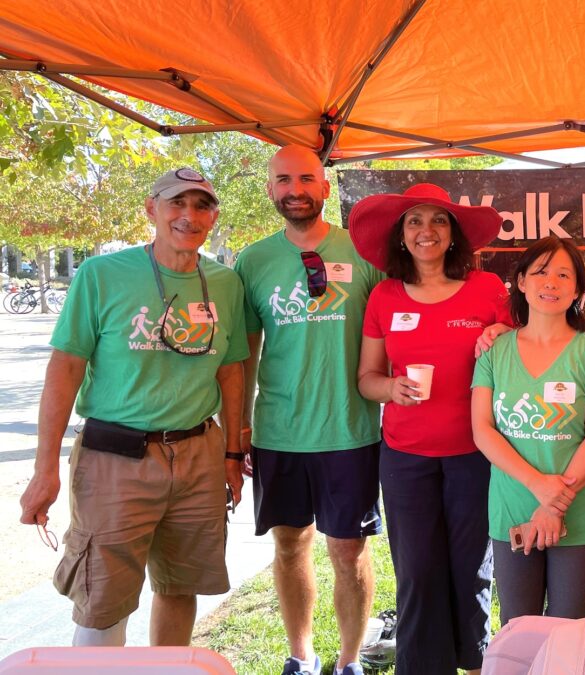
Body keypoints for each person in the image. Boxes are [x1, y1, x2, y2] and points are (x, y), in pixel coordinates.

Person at [18, 168, 247, 647]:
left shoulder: (225, 283)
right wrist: (45, 471)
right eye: (176, 203)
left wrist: (231, 454)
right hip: (116, 457)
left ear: (213, 216)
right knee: (103, 599)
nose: (188, 215)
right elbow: (64, 371)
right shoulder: (102, 275)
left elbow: (231, 372)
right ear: (152, 209)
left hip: (198, 456)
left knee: (180, 586)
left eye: (201, 205)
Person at [235, 146, 384, 675]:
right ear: (270, 190)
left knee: (348, 552)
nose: (294, 189)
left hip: (351, 430)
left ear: (325, 187)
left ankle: (348, 662)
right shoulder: (252, 261)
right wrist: (242, 427)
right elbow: (245, 354)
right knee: (290, 547)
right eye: (282, 180)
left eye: (306, 178)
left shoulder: (366, 253)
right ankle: (300, 656)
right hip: (279, 431)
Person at [352, 183, 507, 675]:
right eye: (415, 222)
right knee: (417, 573)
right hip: (405, 458)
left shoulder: (487, 290)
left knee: (470, 570)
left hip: (475, 453)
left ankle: (475, 661)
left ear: (453, 232)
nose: (426, 231)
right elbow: (366, 379)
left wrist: (504, 334)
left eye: (438, 220)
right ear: (401, 236)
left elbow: (520, 358)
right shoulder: (384, 295)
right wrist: (390, 389)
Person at [472, 236, 585, 624]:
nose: (551, 282)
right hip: (511, 509)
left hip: (575, 512)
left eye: (564, 275)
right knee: (519, 627)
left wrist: (553, 504)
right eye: (541, 272)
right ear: (520, 281)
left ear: (578, 289)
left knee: (570, 629)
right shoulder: (493, 351)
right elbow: (483, 430)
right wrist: (538, 488)